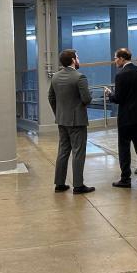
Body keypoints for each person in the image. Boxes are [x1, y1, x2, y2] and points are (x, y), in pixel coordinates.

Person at [48, 49, 94, 195]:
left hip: (62, 120)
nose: (78, 59)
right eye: (78, 57)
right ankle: (78, 185)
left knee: (63, 151)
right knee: (78, 152)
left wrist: (59, 113)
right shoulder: (79, 77)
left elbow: (51, 97)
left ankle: (60, 184)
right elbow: (86, 99)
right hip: (77, 121)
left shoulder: (55, 77)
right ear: (74, 60)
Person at [106, 48, 137, 188]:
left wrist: (109, 94)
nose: (115, 61)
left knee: (124, 148)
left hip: (126, 118)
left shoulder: (121, 75)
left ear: (122, 58)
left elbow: (118, 98)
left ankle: (125, 179)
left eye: (116, 58)